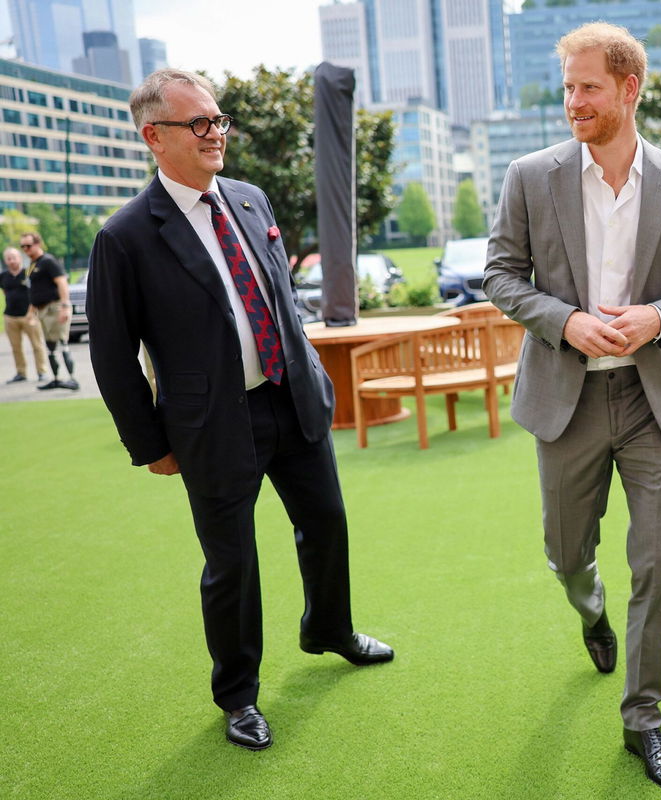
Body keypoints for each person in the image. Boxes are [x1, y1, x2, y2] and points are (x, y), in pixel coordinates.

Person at [87, 69, 393, 751]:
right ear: (153, 138)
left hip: (292, 401)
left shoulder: (251, 201)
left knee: (327, 522)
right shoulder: (125, 237)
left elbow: (280, 302)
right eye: (198, 124)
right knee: (232, 564)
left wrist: (311, 375)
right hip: (210, 426)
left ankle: (330, 628)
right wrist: (150, 444)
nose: (215, 134)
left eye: (218, 120)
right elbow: (111, 356)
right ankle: (238, 696)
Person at [484, 22, 661, 794]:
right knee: (566, 552)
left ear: (629, 89)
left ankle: (643, 723)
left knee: (657, 566)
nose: (572, 102)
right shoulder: (531, 175)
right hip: (567, 399)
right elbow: (499, 275)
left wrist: (658, 319)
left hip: (652, 402)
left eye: (587, 87)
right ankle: (588, 607)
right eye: (566, 88)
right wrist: (566, 321)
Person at [20, 232, 79, 390]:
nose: (25, 249)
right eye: (22, 246)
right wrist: (30, 311)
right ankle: (56, 379)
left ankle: (73, 379)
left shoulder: (48, 261)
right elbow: (35, 291)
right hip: (42, 309)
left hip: (55, 306)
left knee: (62, 343)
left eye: (28, 245)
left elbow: (61, 282)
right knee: (50, 346)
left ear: (38, 244)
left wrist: (65, 306)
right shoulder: (33, 264)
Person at [2, 246, 51, 384]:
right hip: (10, 316)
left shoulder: (28, 272)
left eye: (14, 257)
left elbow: (35, 292)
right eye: (9, 258)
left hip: (29, 315)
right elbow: (5, 292)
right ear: (6, 261)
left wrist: (32, 311)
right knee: (16, 347)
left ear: (19, 258)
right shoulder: (3, 276)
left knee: (37, 344)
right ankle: (21, 372)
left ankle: (42, 371)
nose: (12, 261)